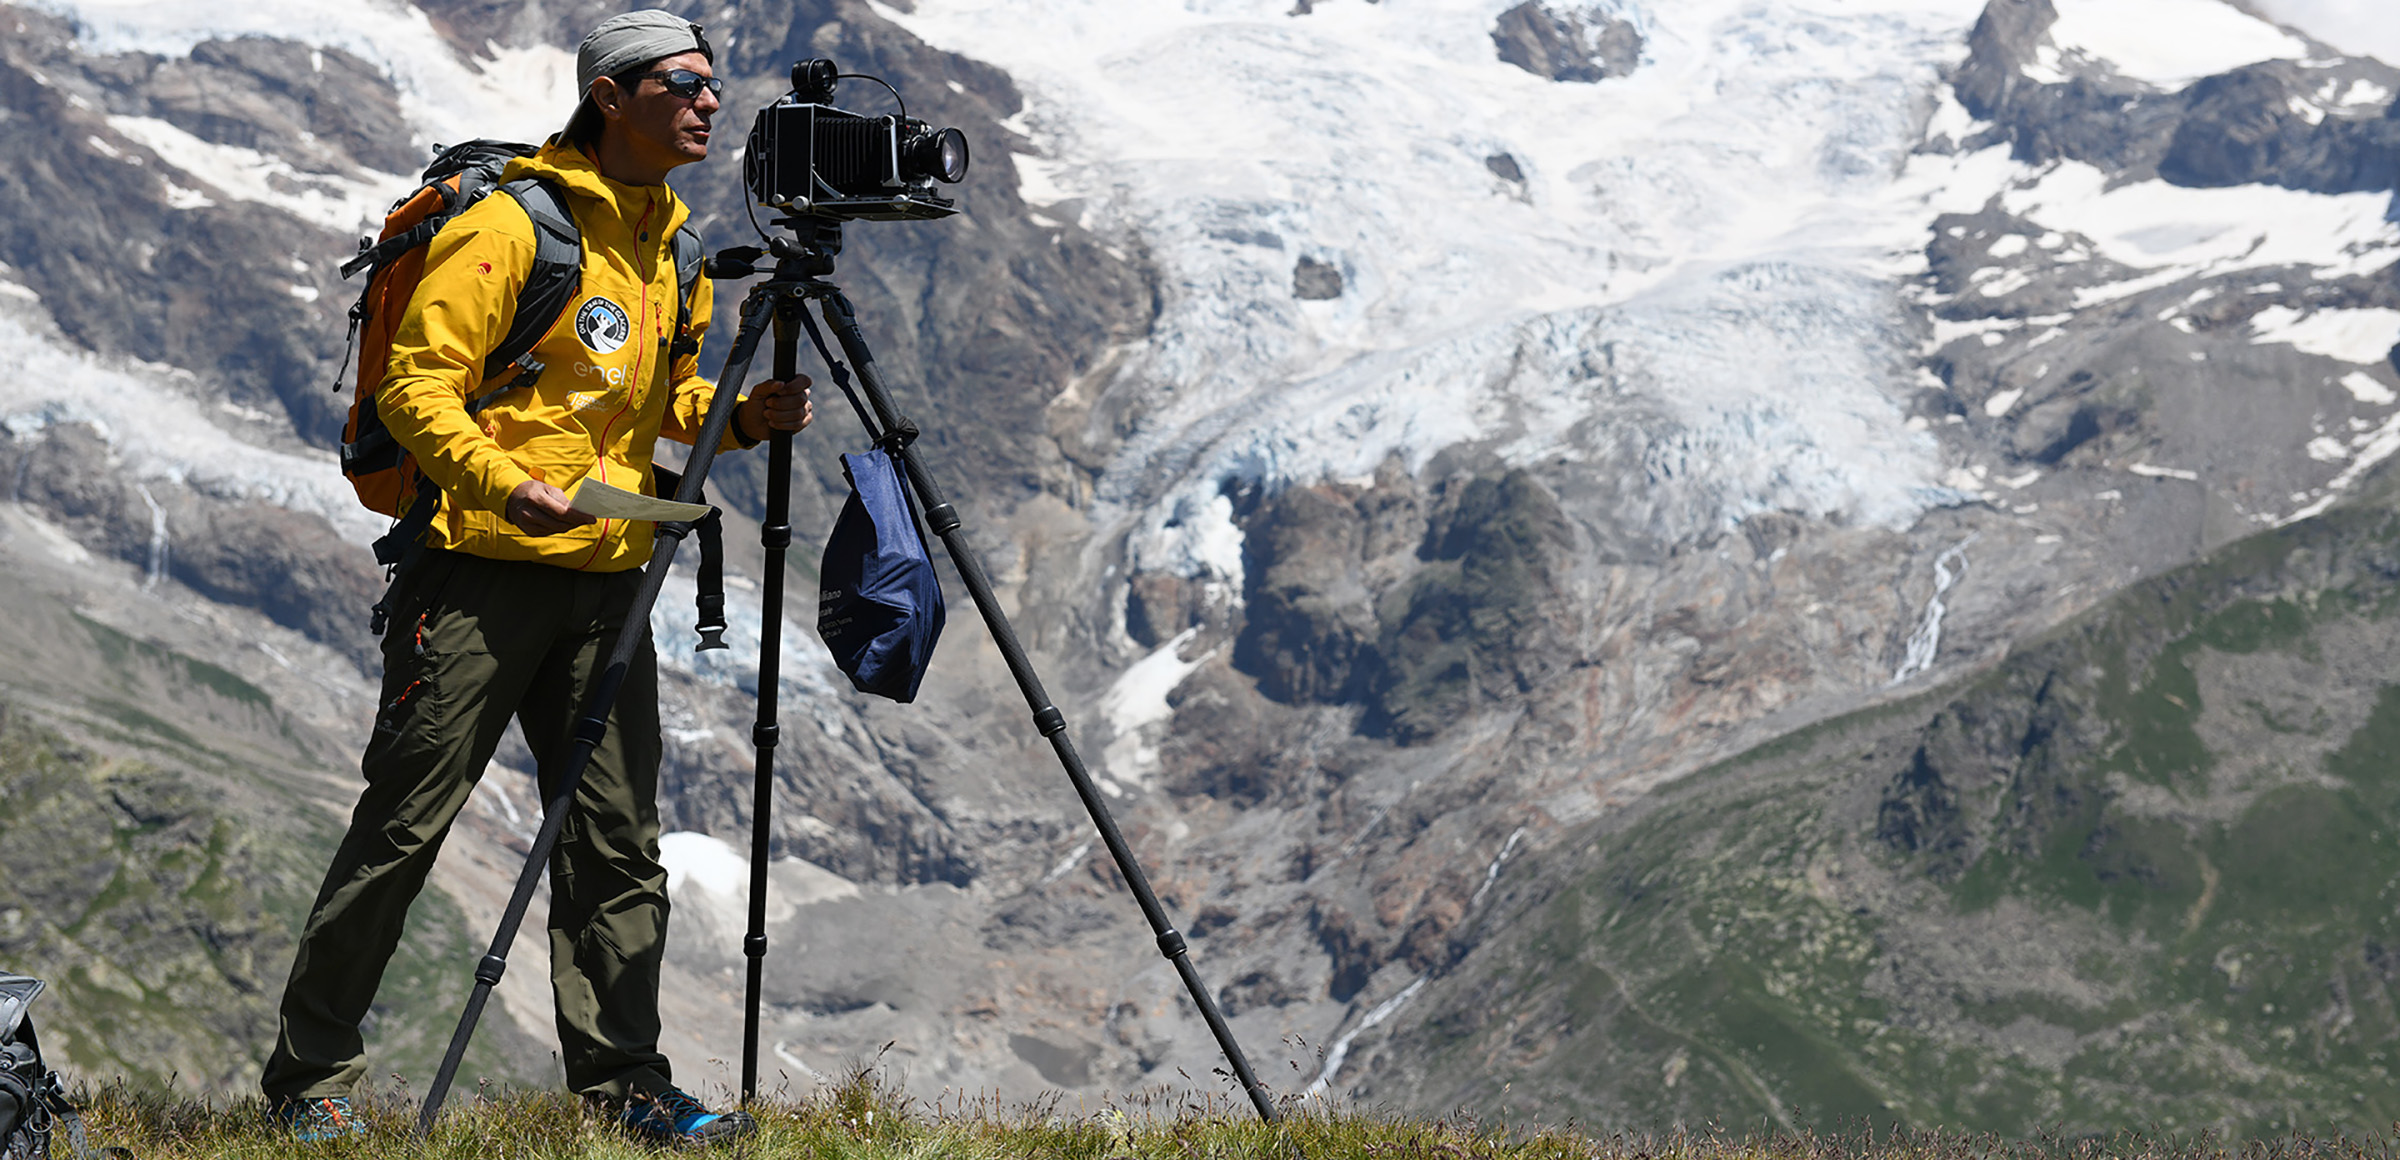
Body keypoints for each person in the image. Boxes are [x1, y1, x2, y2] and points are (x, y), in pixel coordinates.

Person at [260, 11, 807, 1146]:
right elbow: (419, 385)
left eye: (715, 84)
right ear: (611, 96)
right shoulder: (519, 225)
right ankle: (308, 1083)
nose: (710, 102)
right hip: (475, 576)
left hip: (607, 580)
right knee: (404, 826)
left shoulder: (677, 247)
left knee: (615, 840)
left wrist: (741, 419)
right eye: (684, 84)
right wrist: (500, 481)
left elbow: (661, 411)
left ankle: (627, 1087)